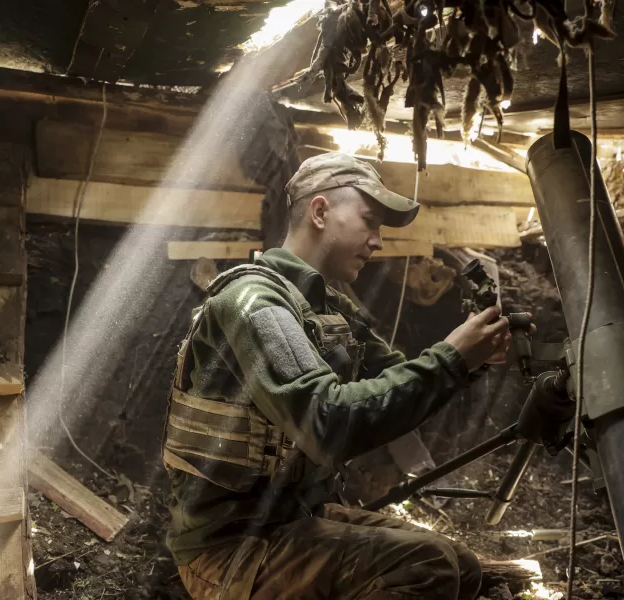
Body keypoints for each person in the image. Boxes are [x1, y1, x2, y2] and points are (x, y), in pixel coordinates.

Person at [163, 152, 513, 600]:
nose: (378, 241)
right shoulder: (253, 301)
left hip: (289, 519)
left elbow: (394, 380)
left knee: (462, 566)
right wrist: (450, 360)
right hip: (231, 548)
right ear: (321, 212)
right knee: (426, 567)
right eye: (370, 221)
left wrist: (470, 358)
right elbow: (325, 422)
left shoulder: (324, 307)